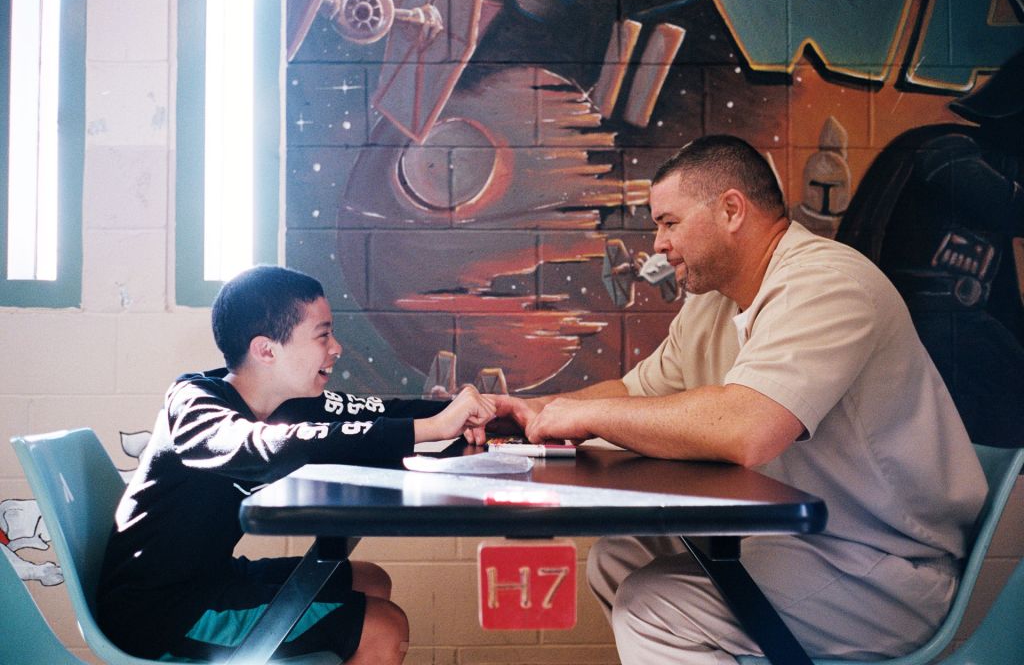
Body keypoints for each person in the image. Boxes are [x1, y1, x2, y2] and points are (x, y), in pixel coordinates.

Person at [517, 135, 988, 663]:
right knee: (619, 556)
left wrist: (587, 414)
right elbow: (634, 392)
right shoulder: (713, 302)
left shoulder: (828, 284)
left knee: (652, 605)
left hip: (886, 567)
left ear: (731, 210)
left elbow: (748, 429)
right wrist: (531, 413)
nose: (658, 245)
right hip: (801, 544)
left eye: (669, 222)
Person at [97, 265, 497, 664]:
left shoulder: (288, 404)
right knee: (383, 627)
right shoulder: (193, 404)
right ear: (267, 350)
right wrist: (429, 429)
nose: (336, 347)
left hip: (210, 580)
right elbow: (263, 446)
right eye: (323, 335)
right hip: (159, 615)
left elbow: (380, 413)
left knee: (372, 579)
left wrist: (479, 411)